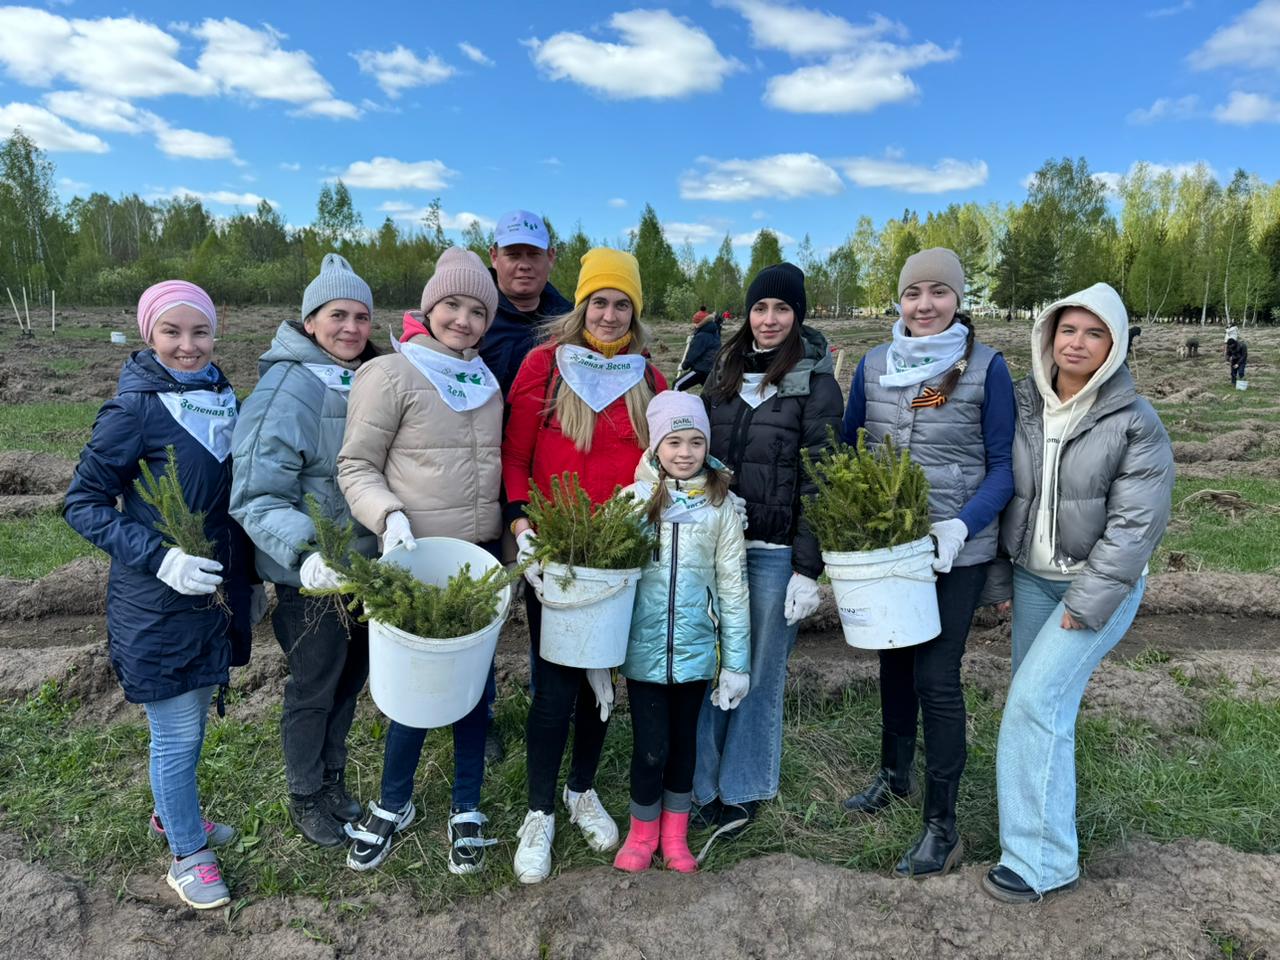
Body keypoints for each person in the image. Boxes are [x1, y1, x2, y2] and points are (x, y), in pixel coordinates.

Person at [64, 281, 260, 910]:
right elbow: (82, 503)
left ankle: (172, 814)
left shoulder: (222, 398)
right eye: (171, 332)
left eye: (200, 331)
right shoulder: (133, 410)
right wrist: (160, 557)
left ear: (216, 332)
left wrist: (250, 578)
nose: (187, 345)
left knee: (193, 721)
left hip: (213, 592)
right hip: (157, 600)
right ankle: (186, 855)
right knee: (176, 735)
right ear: (148, 333)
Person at [984, 282, 1173, 904]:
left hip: (1096, 589)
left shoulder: (1135, 422)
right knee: (1047, 710)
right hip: (1033, 580)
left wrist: (1085, 604)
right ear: (1048, 335)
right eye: (1068, 329)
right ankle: (1043, 836)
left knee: (1033, 703)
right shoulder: (1024, 404)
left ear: (1114, 347)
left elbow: (1135, 527)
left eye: (1095, 334)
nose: (1078, 343)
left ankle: (1040, 862)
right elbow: (1006, 490)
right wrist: (1004, 579)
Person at [839, 247, 1015, 879]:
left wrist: (960, 525)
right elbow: (850, 443)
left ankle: (943, 825)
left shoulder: (986, 368)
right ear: (899, 300)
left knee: (936, 676)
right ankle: (894, 775)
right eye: (914, 293)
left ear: (958, 300)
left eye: (939, 292)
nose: (925, 305)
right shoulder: (874, 365)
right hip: (890, 546)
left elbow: (1004, 467)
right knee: (893, 662)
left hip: (956, 550)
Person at [335, 248, 503, 874]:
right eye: (452, 305)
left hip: (478, 562)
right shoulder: (391, 374)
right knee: (413, 688)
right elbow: (356, 464)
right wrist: (389, 516)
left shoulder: (484, 379)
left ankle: (466, 804)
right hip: (417, 563)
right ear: (429, 308)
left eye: (477, 311)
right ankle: (394, 800)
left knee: (473, 687)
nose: (463, 320)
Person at [503, 247, 668, 883]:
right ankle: (539, 813)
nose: (608, 314)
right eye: (598, 301)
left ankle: (580, 790)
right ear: (581, 305)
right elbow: (515, 456)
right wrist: (522, 527)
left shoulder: (649, 380)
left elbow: (663, 468)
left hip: (618, 558)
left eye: (621, 303)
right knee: (554, 688)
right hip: (556, 555)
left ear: (635, 312)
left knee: (602, 682)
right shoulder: (546, 366)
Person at [230, 254, 379, 848]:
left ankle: (333, 780)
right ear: (310, 321)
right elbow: (255, 495)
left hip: (367, 570)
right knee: (314, 686)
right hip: (312, 579)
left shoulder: (367, 377)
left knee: (350, 680)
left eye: (362, 317)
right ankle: (305, 795)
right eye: (337, 315)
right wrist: (306, 555)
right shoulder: (286, 388)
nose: (351, 328)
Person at [692, 262, 843, 836]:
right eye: (761, 307)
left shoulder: (816, 383)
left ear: (798, 316)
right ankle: (700, 784)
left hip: (774, 551)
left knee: (758, 670)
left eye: (783, 309)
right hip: (716, 546)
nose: (770, 319)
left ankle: (744, 784)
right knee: (710, 662)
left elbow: (822, 478)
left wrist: (808, 566)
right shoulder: (723, 371)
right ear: (747, 313)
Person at [613, 391, 751, 873]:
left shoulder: (720, 508)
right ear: (656, 447)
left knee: (683, 747)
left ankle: (675, 836)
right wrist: (599, 658)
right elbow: (611, 579)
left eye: (696, 442)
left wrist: (736, 664)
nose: (685, 452)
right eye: (674, 442)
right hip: (643, 653)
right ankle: (641, 834)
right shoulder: (631, 503)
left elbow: (733, 588)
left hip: (695, 653)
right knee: (650, 749)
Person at [481, 209, 573, 397]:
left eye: (533, 254)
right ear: (494, 256)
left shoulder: (570, 323)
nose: (524, 265)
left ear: (551, 257)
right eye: (513, 255)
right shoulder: (470, 317)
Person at [674, 310, 721, 392]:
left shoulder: (701, 336)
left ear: (699, 323)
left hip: (701, 370)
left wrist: (684, 366)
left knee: (677, 385)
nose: (693, 325)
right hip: (712, 369)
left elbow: (693, 354)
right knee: (710, 393)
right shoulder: (715, 333)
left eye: (695, 322)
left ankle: (673, 400)